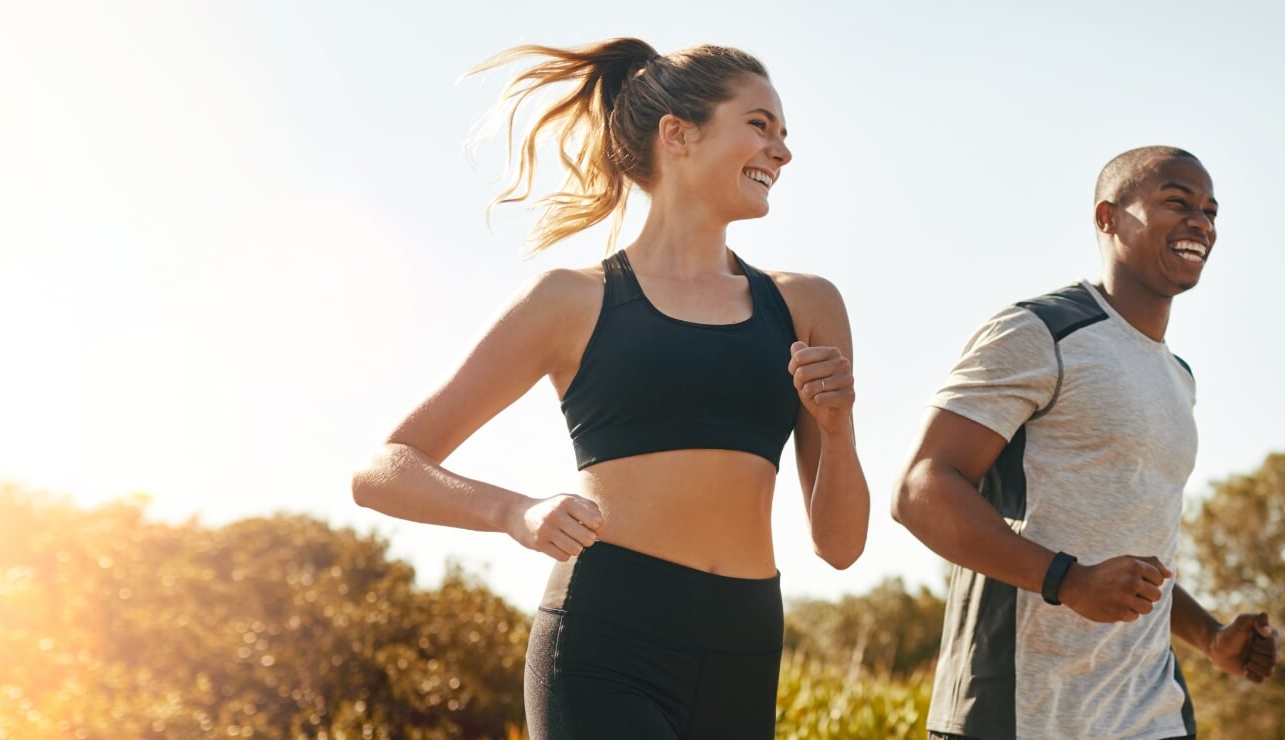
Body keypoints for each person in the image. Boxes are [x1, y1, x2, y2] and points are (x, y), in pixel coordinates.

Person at [350, 37, 869, 739]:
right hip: (607, 641)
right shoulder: (570, 300)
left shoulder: (806, 305)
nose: (782, 151)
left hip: (745, 646)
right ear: (678, 135)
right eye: (759, 125)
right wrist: (516, 513)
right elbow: (384, 469)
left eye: (784, 133)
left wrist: (835, 427)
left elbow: (841, 546)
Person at [892, 146, 1279, 739]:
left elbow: (1131, 550)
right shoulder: (1039, 330)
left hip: (1149, 712)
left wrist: (1211, 638)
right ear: (1108, 217)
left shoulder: (1179, 378)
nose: (1201, 222)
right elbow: (921, 489)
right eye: (1177, 202)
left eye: (1210, 211)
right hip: (1022, 710)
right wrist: (1068, 581)